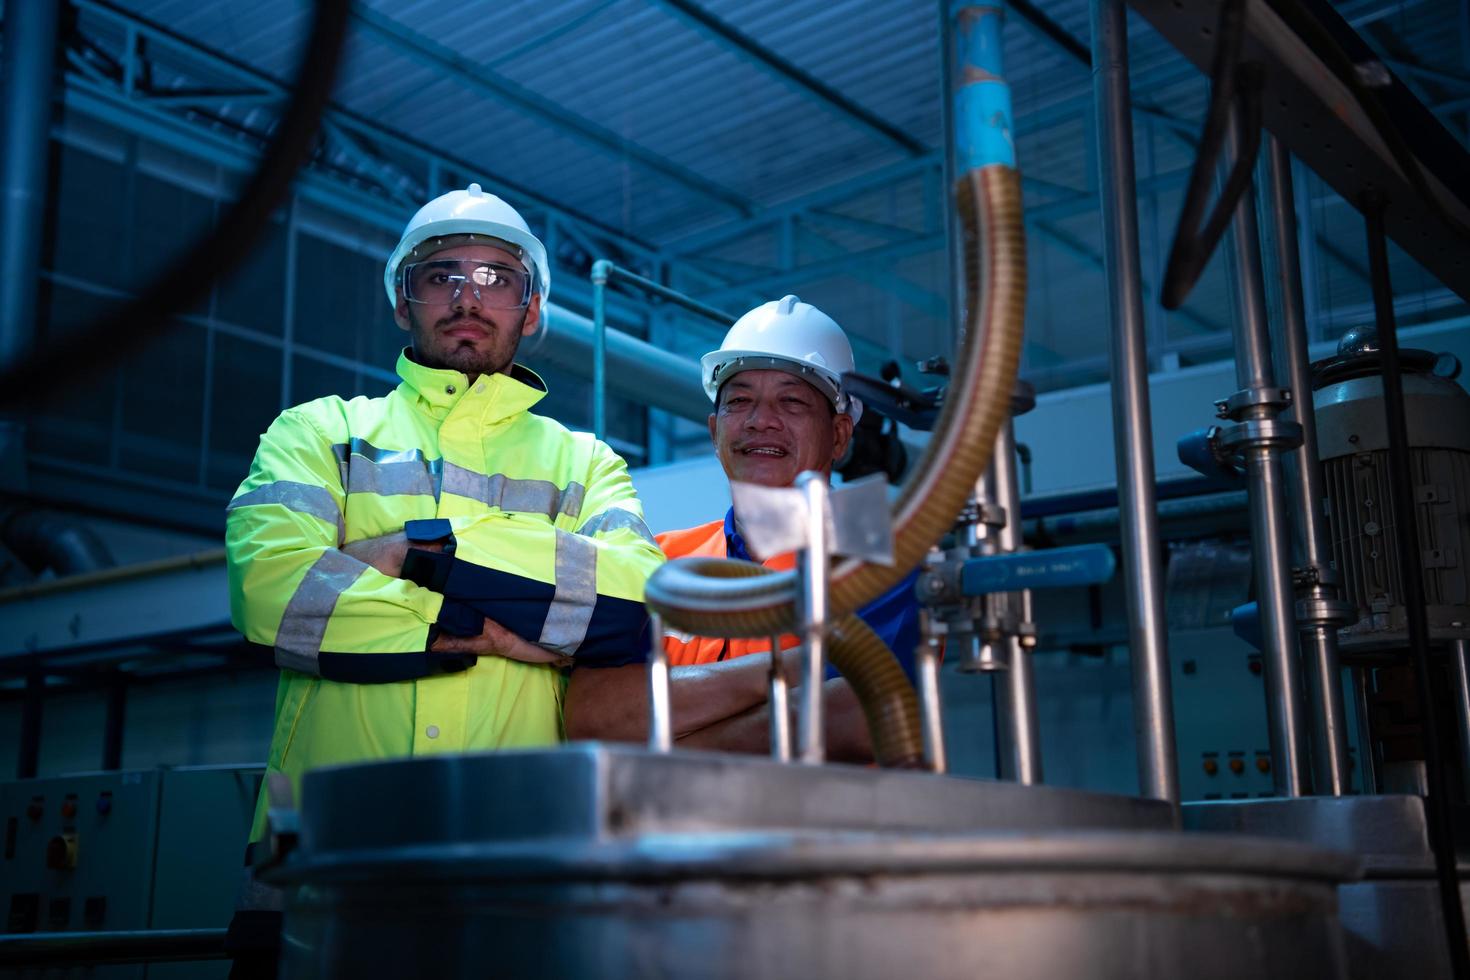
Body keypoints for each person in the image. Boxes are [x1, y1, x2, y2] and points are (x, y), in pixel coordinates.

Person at [222, 183, 664, 975]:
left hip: (516, 856)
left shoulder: (585, 462)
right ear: (403, 302)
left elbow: (631, 608)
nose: (468, 295)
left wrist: (416, 550)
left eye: (498, 277)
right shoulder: (322, 431)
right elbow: (273, 592)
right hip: (323, 855)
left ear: (531, 311)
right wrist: (521, 619)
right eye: (442, 275)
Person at [564, 295, 922, 761]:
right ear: (715, 432)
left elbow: (853, 713)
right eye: (740, 401)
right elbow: (590, 716)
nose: (760, 421)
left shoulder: (879, 547)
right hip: (673, 831)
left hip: (824, 829)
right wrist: (785, 671)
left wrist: (662, 737)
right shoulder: (660, 558)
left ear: (838, 435)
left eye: (791, 401)